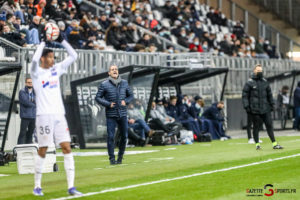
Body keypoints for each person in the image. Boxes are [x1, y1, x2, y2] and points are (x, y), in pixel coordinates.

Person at [30, 33, 81, 196]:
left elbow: (74, 55)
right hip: (44, 115)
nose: (53, 60)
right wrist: (42, 43)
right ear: (43, 59)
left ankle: (71, 187)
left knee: (66, 147)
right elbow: (33, 60)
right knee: (43, 148)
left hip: (59, 115)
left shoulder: (56, 70)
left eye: (53, 57)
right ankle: (37, 186)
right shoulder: (36, 72)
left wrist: (62, 41)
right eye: (50, 57)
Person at [95, 65, 133, 165]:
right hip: (111, 114)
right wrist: (108, 104)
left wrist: (126, 101)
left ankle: (120, 157)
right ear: (109, 73)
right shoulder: (104, 84)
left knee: (124, 136)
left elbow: (131, 95)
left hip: (123, 113)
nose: (114, 71)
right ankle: (112, 159)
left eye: (116, 69)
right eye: (112, 70)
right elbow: (98, 98)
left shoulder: (124, 83)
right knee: (111, 137)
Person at [242, 64, 283, 150]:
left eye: (261, 70)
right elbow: (245, 96)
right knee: (256, 126)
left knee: (269, 125)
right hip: (254, 109)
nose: (259, 72)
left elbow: (269, 95)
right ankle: (257, 145)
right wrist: (246, 106)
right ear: (254, 71)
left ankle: (274, 144)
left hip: (265, 108)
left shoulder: (265, 82)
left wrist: (272, 104)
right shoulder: (249, 83)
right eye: (258, 70)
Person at [17, 77, 36, 144]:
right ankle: (19, 147)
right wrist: (34, 104)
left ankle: (29, 146)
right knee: (22, 133)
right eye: (28, 82)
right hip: (25, 116)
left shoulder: (35, 92)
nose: (30, 84)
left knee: (31, 133)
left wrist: (34, 103)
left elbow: (38, 100)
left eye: (31, 82)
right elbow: (25, 102)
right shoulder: (22, 91)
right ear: (25, 83)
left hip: (33, 116)